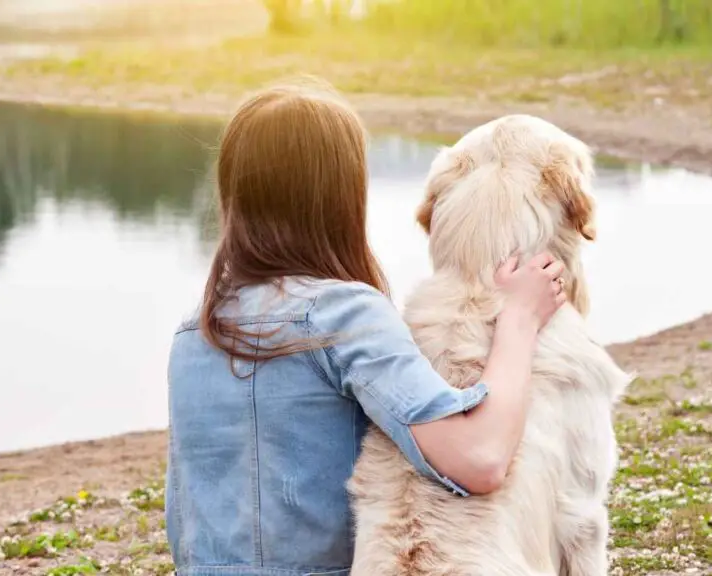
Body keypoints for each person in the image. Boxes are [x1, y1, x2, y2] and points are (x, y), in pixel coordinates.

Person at [164, 81, 566, 575]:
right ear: (340, 195)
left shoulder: (195, 332)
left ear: (233, 192)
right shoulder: (345, 314)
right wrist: (519, 319)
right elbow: (480, 459)